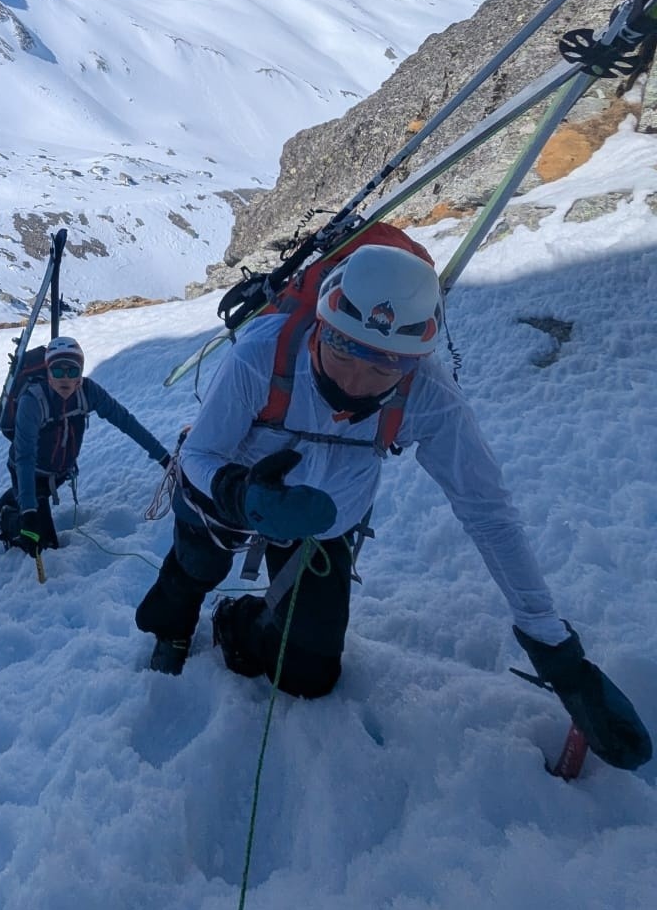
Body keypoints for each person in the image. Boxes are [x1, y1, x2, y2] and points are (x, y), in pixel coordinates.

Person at [135, 244, 650, 771]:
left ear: (415, 359)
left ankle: (240, 621)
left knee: (310, 674)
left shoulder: (428, 395)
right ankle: (171, 627)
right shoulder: (262, 355)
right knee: (197, 564)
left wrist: (554, 647)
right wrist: (238, 493)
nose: (354, 384)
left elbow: (488, 511)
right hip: (234, 488)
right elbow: (200, 451)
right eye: (341, 347)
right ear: (321, 324)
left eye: (385, 365)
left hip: (320, 525)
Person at [0, 336, 170, 559]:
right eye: (58, 371)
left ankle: (20, 501)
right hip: (28, 471)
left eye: (72, 371)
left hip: (57, 472)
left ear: (81, 373)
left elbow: (126, 422)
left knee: (38, 523)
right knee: (43, 544)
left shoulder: (88, 392)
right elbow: (25, 457)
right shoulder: (32, 401)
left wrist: (163, 457)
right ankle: (5, 516)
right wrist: (28, 513)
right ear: (48, 372)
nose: (65, 378)